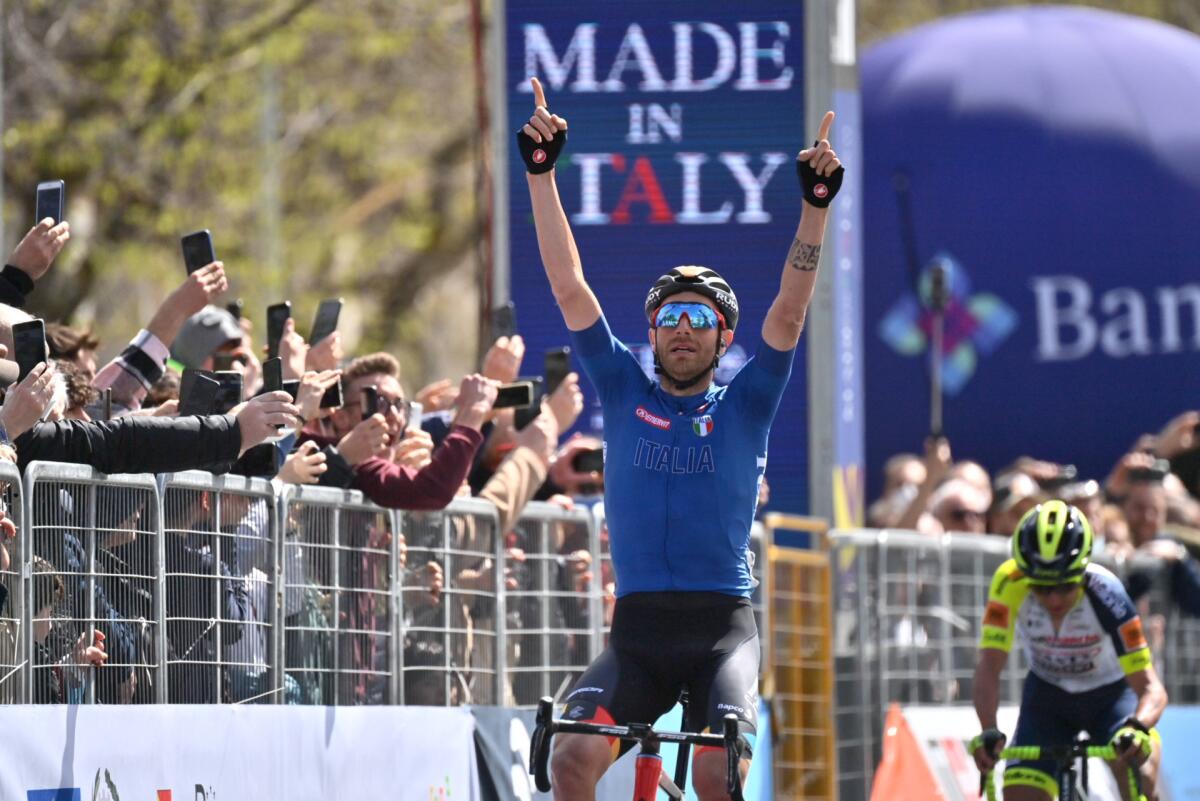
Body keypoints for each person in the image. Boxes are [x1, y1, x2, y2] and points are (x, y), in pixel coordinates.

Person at [519, 77, 843, 800]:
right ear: (652, 336)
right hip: (635, 634)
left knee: (712, 775)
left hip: (720, 632)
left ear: (725, 336)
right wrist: (541, 176)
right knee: (571, 759)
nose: (684, 330)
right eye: (670, 318)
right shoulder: (622, 385)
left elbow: (788, 314)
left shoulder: (747, 402)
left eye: (700, 318)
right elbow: (571, 287)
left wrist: (814, 209)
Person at [971, 501, 1168, 801]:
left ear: (1082, 570)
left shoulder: (1107, 592)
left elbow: (1152, 688)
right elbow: (989, 666)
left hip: (1111, 697)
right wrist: (988, 730)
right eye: (1040, 587)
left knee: (1141, 774)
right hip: (1049, 699)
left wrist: (1137, 727)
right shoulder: (1009, 582)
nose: (1053, 598)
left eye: (1064, 586)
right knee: (1019, 794)